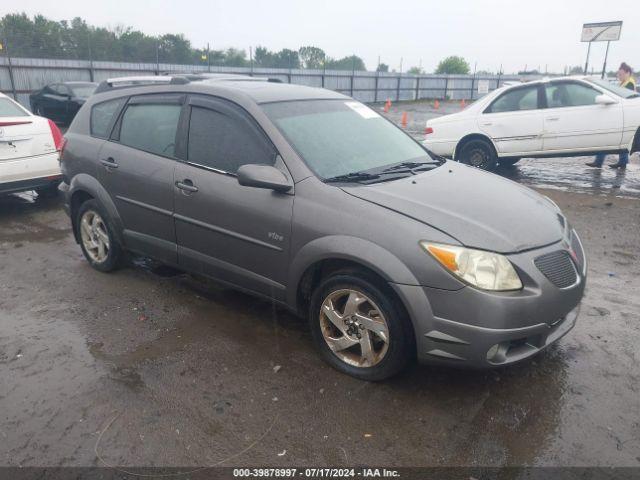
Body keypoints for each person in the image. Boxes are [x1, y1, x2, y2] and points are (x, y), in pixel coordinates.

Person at [586, 62, 636, 169]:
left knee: (611, 139)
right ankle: (619, 161)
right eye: (618, 74)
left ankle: (602, 161)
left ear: (628, 73)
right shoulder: (624, 83)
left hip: (624, 116)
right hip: (621, 115)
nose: (619, 76)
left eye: (621, 74)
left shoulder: (629, 84)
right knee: (618, 140)